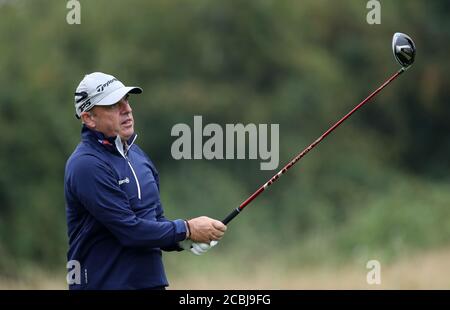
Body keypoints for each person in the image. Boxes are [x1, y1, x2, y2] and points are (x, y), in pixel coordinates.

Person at [64, 72, 227, 290]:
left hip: (150, 284)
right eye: (113, 104)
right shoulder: (86, 165)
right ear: (89, 118)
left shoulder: (138, 157)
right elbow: (129, 231)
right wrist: (187, 229)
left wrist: (181, 241)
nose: (127, 109)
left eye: (127, 100)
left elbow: (154, 221)